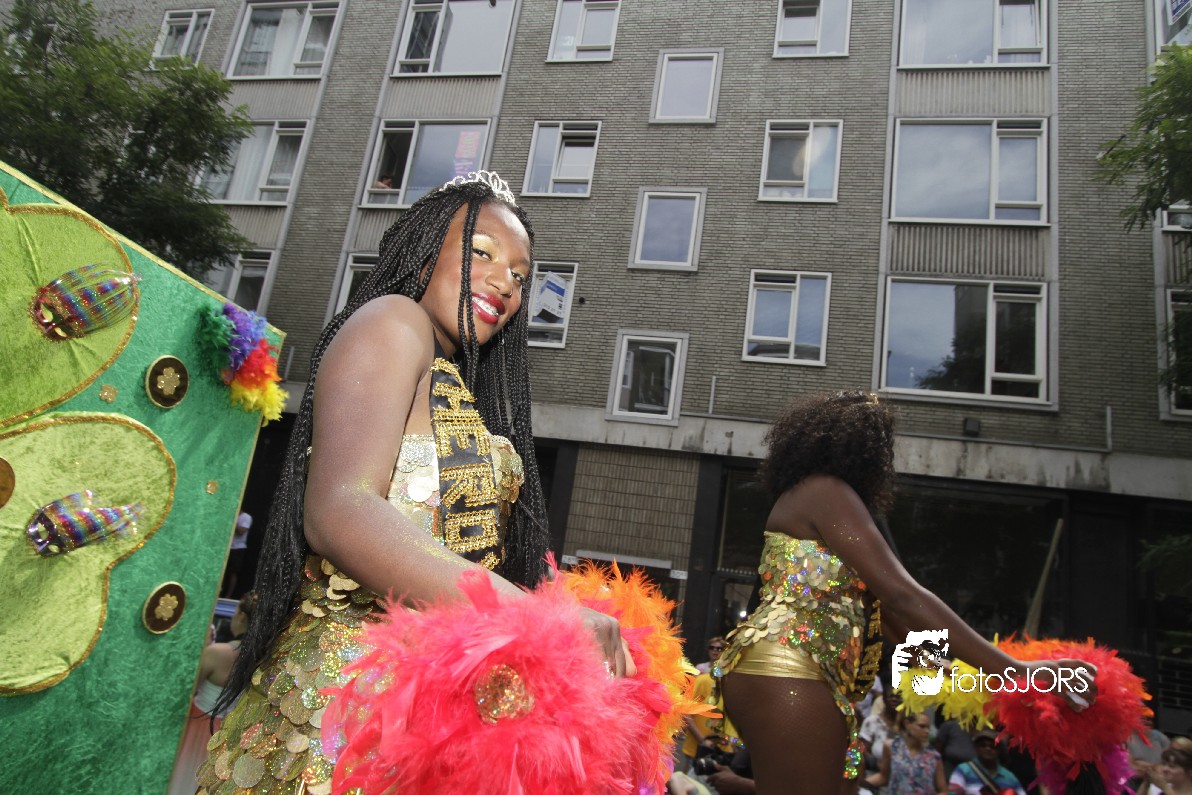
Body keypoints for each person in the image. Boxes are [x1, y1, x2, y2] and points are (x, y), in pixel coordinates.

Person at [196, 172, 629, 794]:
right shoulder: (394, 321)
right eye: (482, 252)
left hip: (417, 720)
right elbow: (340, 510)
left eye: (520, 274)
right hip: (341, 719)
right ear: (425, 252)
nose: (505, 282)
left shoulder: (453, 378)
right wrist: (538, 618)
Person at [714, 391, 1098, 795]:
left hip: (803, 675)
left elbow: (902, 629)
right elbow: (904, 596)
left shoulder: (824, 507)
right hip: (788, 666)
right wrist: (1019, 671)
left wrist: (990, 680)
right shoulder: (824, 490)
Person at [168, 592, 257, 795]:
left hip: (197, 725)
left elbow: (186, 691)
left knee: (182, 778)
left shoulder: (217, 653)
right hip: (230, 736)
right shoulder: (259, 660)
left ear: (241, 616)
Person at [865, 711, 946, 795]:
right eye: (921, 726)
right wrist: (861, 784)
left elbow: (943, 791)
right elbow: (884, 777)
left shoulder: (933, 756)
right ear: (907, 724)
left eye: (928, 727)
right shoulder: (892, 747)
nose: (926, 731)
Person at [948, 729, 1026, 795]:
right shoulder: (963, 770)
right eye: (983, 745)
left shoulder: (1009, 777)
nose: (988, 748)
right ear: (976, 748)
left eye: (992, 746)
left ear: (998, 751)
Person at [219, 510, 251, 597]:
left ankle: (228, 596)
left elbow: (241, 532)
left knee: (232, 572)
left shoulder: (246, 517)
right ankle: (218, 593)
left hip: (238, 548)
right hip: (226, 547)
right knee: (222, 571)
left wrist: (233, 519)